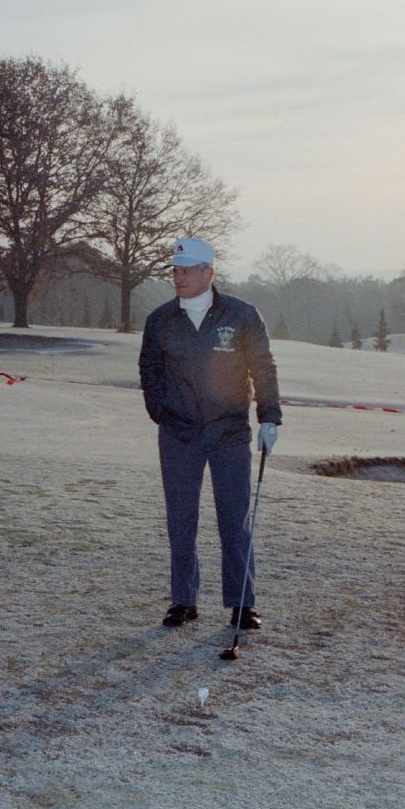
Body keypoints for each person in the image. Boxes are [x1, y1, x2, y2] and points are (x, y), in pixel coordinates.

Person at [139, 236, 282, 632]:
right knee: (181, 518)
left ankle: (241, 603)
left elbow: (263, 367)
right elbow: (149, 370)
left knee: (234, 519)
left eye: (186, 271)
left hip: (229, 432)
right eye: (175, 271)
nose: (178, 277)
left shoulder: (241, 315)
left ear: (209, 272)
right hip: (179, 433)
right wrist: (160, 411)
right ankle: (183, 600)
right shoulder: (161, 320)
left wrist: (269, 416)